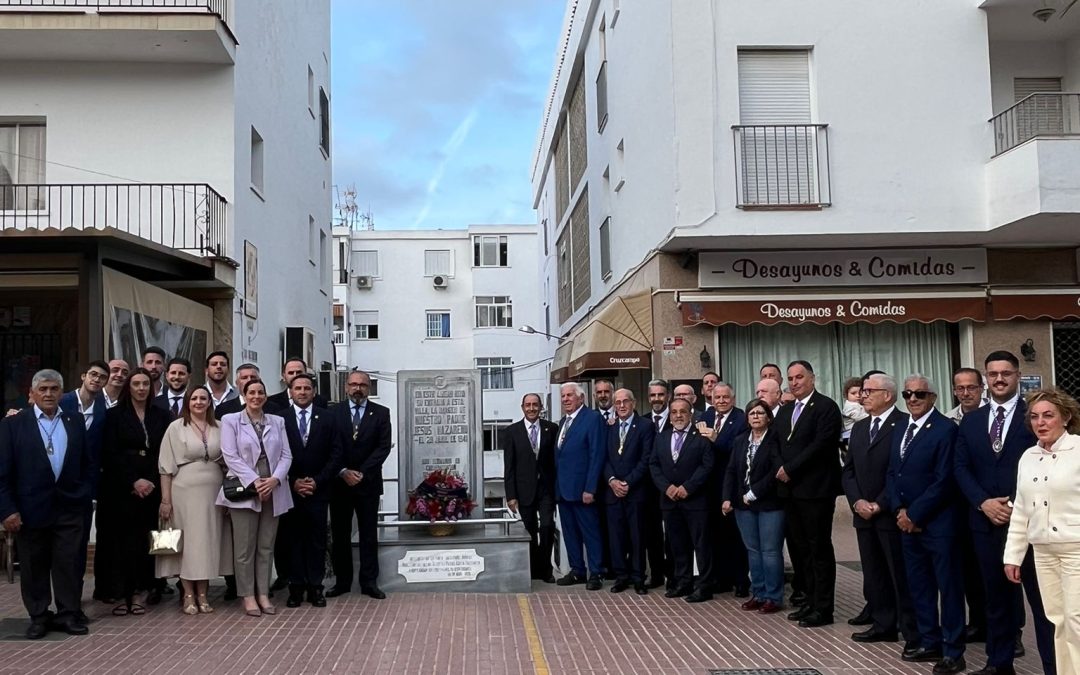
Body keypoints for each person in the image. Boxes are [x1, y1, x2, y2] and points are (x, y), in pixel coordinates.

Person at [955, 352, 1055, 675]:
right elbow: (961, 467)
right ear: (986, 377)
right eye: (993, 373)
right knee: (995, 599)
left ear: (1017, 375)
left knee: (1042, 604)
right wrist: (983, 502)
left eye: (1006, 373)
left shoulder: (1035, 417)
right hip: (985, 524)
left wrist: (1013, 503)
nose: (999, 379)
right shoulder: (971, 421)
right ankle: (999, 663)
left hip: (1030, 524)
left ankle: (1054, 667)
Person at [0, 369, 93, 640]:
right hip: (29, 511)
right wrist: (7, 509)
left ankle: (68, 613)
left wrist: (83, 494)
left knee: (69, 564)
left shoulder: (74, 421)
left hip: (69, 506)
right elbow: (3, 473)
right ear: (32, 393)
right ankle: (39, 616)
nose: (49, 394)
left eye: (54, 389)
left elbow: (87, 464)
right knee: (33, 565)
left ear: (61, 393)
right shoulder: (13, 425)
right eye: (43, 389)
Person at [886, 374, 965, 674]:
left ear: (933, 397)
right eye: (907, 394)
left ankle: (953, 650)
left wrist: (915, 514)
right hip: (907, 523)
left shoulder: (945, 430)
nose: (913, 399)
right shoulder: (901, 428)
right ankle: (929, 640)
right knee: (919, 586)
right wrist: (899, 510)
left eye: (920, 394)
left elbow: (944, 480)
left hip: (938, 525)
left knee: (949, 588)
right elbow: (893, 473)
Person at [1005, 388, 1080, 675]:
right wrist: (1013, 556)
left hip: (1076, 550)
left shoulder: (1078, 450)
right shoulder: (1028, 456)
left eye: (1048, 415)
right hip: (1043, 553)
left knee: (1075, 620)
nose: (1041, 422)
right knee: (1056, 621)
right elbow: (1022, 509)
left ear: (1066, 417)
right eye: (1035, 417)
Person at [841, 374, 918, 652]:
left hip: (889, 513)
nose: (863, 395)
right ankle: (883, 624)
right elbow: (848, 470)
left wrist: (879, 504)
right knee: (873, 572)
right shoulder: (860, 428)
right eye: (862, 391)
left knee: (899, 572)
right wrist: (857, 501)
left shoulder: (903, 424)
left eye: (869, 391)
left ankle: (910, 629)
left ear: (887, 395)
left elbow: (900, 470)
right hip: (862, 513)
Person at [774, 360, 842, 628]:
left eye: (799, 377)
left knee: (819, 549)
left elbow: (822, 445)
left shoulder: (826, 407)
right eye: (790, 378)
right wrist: (779, 466)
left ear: (812, 378)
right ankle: (809, 602)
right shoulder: (786, 410)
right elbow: (775, 443)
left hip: (815, 491)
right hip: (790, 492)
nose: (794, 382)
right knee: (801, 551)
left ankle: (824, 608)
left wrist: (790, 468)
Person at [217, 378, 293, 617]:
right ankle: (247, 595)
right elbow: (230, 455)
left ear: (266, 396)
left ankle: (263, 593)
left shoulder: (277, 421)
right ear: (244, 394)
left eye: (261, 392)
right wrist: (255, 481)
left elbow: (286, 455)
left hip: (273, 489)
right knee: (244, 548)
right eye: (252, 392)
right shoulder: (231, 421)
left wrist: (274, 480)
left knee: (266, 546)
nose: (256, 397)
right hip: (245, 489)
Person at [99, 367, 171, 615]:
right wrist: (133, 481)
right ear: (128, 387)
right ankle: (121, 593)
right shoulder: (113, 416)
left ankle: (143, 590)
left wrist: (150, 480)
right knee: (121, 542)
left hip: (152, 485)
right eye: (136, 384)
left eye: (146, 384)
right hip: (121, 488)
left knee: (147, 540)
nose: (141, 388)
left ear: (152, 388)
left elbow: (165, 452)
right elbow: (110, 453)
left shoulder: (162, 415)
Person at [156, 386, 232, 615]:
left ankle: (203, 594)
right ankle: (188, 594)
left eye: (203, 398)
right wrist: (165, 500)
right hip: (183, 493)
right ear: (187, 402)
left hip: (214, 495)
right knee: (188, 545)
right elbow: (165, 467)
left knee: (207, 544)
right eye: (194, 398)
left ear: (210, 402)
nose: (199, 402)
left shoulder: (220, 427)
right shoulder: (175, 427)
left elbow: (230, 460)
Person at [328, 369, 391, 600]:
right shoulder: (333, 413)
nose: (358, 388)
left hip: (368, 483)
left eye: (363, 385)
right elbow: (330, 446)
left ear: (369, 388)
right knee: (340, 534)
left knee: (368, 534)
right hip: (339, 483)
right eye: (353, 384)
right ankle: (342, 582)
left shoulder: (381, 413)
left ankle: (369, 582)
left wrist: (362, 472)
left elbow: (383, 447)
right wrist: (343, 471)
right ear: (346, 387)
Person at [279, 373, 341, 608]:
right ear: (291, 391)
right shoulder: (279, 419)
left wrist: (317, 481)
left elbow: (336, 454)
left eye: (307, 388)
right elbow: (274, 455)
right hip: (290, 489)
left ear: (313, 392)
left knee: (317, 540)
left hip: (319, 489)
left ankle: (316, 587)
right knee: (292, 539)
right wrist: (293, 480)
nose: (302, 392)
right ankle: (296, 587)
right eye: (298, 388)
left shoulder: (328, 418)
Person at [58, 360, 109, 623]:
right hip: (57, 485)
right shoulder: (62, 401)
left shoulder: (105, 409)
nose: (97, 380)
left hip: (85, 488)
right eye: (93, 375)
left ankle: (72, 603)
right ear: (83, 376)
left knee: (77, 546)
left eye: (102, 377)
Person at [723, 398, 784, 614]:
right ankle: (758, 594)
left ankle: (774, 597)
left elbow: (775, 471)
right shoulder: (740, 440)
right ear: (747, 418)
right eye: (752, 413)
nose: (756, 416)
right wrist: (727, 497)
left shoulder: (775, 439)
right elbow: (731, 470)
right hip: (743, 505)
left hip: (769, 503)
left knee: (769, 551)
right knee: (753, 550)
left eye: (760, 413)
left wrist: (754, 492)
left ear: (768, 417)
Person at [650, 398, 714, 603]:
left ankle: (704, 586)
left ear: (690, 414)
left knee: (701, 545)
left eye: (683, 412)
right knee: (678, 545)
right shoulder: (661, 437)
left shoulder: (701, 437)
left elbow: (706, 466)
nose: (678, 415)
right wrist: (666, 487)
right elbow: (654, 465)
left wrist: (688, 487)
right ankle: (683, 582)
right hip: (670, 501)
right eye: (674, 412)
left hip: (695, 501)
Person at [554, 382, 606, 590]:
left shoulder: (592, 419)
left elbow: (597, 455)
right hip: (563, 491)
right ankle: (577, 571)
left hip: (583, 490)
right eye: (563, 396)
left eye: (569, 395)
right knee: (570, 533)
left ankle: (596, 572)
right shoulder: (562, 422)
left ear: (581, 398)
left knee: (590, 533)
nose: (565, 399)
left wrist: (591, 488)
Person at [604, 388, 655, 595]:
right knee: (617, 537)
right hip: (612, 492)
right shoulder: (609, 427)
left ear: (633, 403)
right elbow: (603, 457)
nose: (622, 406)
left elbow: (646, 458)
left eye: (626, 401)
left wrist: (627, 483)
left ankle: (638, 577)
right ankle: (621, 576)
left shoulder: (645, 426)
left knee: (637, 537)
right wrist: (613, 481)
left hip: (636, 491)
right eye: (618, 402)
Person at [503, 393, 559, 583]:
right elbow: (509, 466)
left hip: (546, 489)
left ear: (541, 407)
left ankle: (546, 569)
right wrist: (511, 495)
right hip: (523, 490)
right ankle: (534, 569)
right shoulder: (512, 431)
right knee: (529, 531)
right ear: (522, 407)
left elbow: (556, 461)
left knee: (546, 526)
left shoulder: (551, 429)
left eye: (535, 405)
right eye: (528, 405)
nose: (532, 408)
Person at [700, 382, 749, 596]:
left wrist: (715, 438)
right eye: (716, 397)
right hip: (707, 487)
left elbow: (737, 450)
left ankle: (741, 581)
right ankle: (722, 579)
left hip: (730, 486)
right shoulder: (706, 417)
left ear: (733, 398)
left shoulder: (741, 419)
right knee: (715, 536)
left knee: (735, 536)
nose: (720, 401)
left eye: (725, 397)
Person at [643, 379, 671, 588]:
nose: (657, 399)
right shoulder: (643, 422)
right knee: (652, 533)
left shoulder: (679, 417)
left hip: (673, 486)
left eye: (660, 395)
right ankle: (656, 575)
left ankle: (675, 575)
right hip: (649, 488)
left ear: (667, 396)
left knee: (673, 533)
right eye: (653, 395)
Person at [593, 379, 615, 578]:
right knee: (601, 527)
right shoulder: (591, 418)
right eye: (599, 392)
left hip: (622, 483)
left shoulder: (624, 416)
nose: (603, 395)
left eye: (606, 391)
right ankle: (605, 566)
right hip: (598, 484)